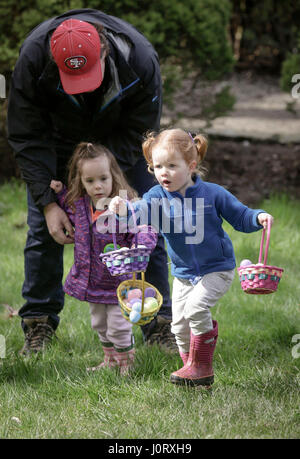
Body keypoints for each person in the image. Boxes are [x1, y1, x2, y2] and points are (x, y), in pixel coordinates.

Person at [7, 9, 174, 355]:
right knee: (43, 229)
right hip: (58, 141)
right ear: (54, 60)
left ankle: (157, 324)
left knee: (143, 223)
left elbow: (140, 132)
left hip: (121, 142)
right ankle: (39, 323)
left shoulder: (140, 60)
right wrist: (50, 203)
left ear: (103, 50)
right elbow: (27, 134)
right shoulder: (33, 59)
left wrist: (112, 186)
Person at [109, 128, 274, 387]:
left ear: (191, 165)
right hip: (184, 273)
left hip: (216, 269)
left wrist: (257, 217)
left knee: (197, 308)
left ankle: (202, 367)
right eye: (158, 166)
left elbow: (240, 216)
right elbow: (138, 213)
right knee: (179, 327)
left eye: (172, 165)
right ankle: (192, 370)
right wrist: (122, 210)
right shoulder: (157, 197)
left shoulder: (213, 194)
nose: (164, 172)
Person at [50, 141, 158, 373]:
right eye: (90, 181)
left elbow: (144, 228)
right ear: (81, 181)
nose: (97, 186)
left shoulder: (123, 208)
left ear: (113, 176)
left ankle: (127, 364)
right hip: (93, 280)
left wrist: (141, 246)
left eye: (103, 179)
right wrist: (59, 193)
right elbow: (68, 211)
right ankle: (110, 360)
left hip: (119, 281)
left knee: (118, 326)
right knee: (98, 323)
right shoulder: (80, 206)